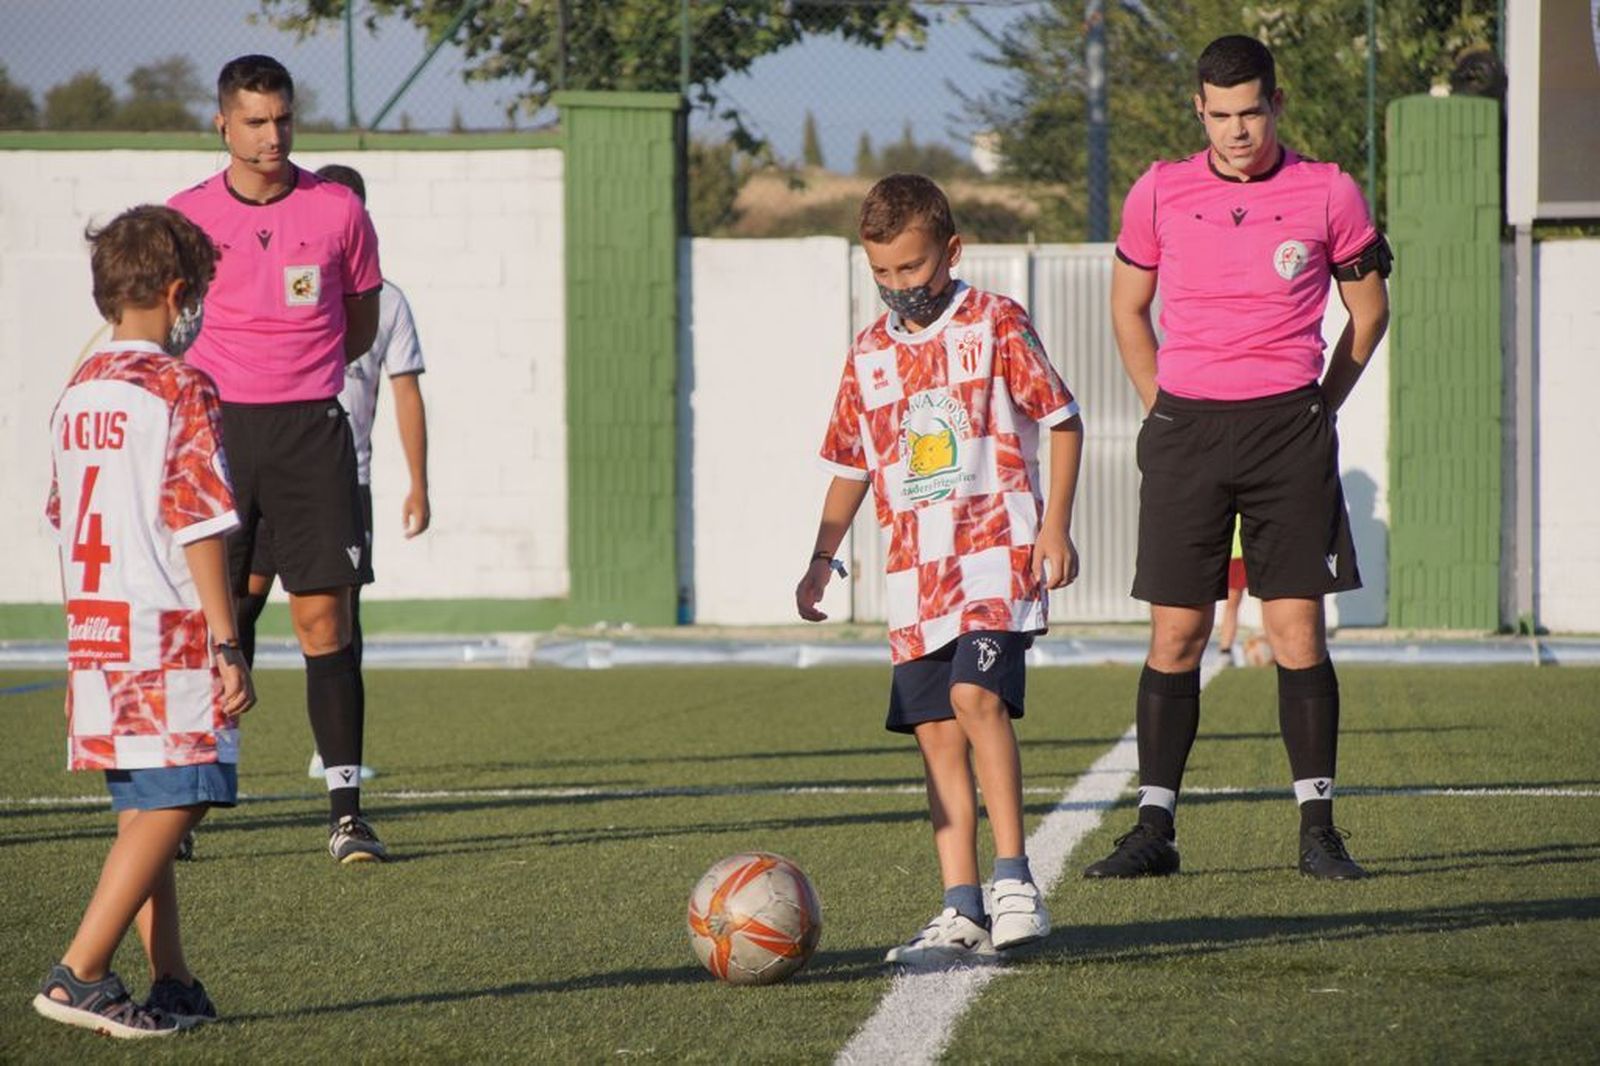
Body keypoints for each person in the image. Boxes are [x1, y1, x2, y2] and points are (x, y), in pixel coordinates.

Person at [1087, 34, 1391, 882]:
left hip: (1286, 431)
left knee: (1295, 630)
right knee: (1177, 631)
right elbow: (1127, 308)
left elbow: (1369, 313)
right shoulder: (1159, 189)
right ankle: (1154, 830)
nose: (1236, 131)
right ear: (1199, 110)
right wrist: (1160, 407)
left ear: (1275, 105)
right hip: (1187, 429)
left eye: (1250, 111)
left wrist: (1320, 407)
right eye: (1220, 115)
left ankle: (1318, 831)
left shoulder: (1328, 191)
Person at [796, 174, 1084, 964]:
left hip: (995, 555)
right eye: (883, 274)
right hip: (914, 575)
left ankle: (1016, 881)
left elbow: (1062, 420)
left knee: (973, 698)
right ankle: (960, 908)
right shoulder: (868, 354)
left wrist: (1054, 526)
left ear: (951, 252)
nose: (900, 288)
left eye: (913, 270)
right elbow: (850, 466)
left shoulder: (996, 322)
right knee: (932, 730)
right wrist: (822, 559)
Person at [34, 205, 255, 1037]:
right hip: (163, 627)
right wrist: (226, 641)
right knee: (184, 794)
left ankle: (173, 981)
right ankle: (80, 972)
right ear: (175, 292)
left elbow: (62, 513)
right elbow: (199, 520)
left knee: (144, 807)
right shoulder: (179, 386)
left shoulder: (76, 391)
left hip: (97, 626)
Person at [169, 54, 388, 864]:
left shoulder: (338, 212)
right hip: (221, 436)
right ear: (222, 124)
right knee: (219, 621)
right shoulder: (184, 217)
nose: (272, 136)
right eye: (256, 122)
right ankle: (190, 804)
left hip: (311, 434)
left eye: (284, 119)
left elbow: (357, 323)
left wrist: (304, 375)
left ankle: (345, 811)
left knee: (323, 621)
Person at [234, 163, 431, 780]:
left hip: (345, 474)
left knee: (340, 615)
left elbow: (404, 393)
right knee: (238, 607)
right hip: (270, 464)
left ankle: (336, 754)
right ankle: (215, 752)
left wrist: (418, 483)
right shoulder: (280, 275)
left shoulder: (388, 301)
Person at [1217, 515, 1247, 666]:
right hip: (1236, 552)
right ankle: (1225, 649)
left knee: (1269, 599)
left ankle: (1274, 645)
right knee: (1232, 601)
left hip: (1258, 548)